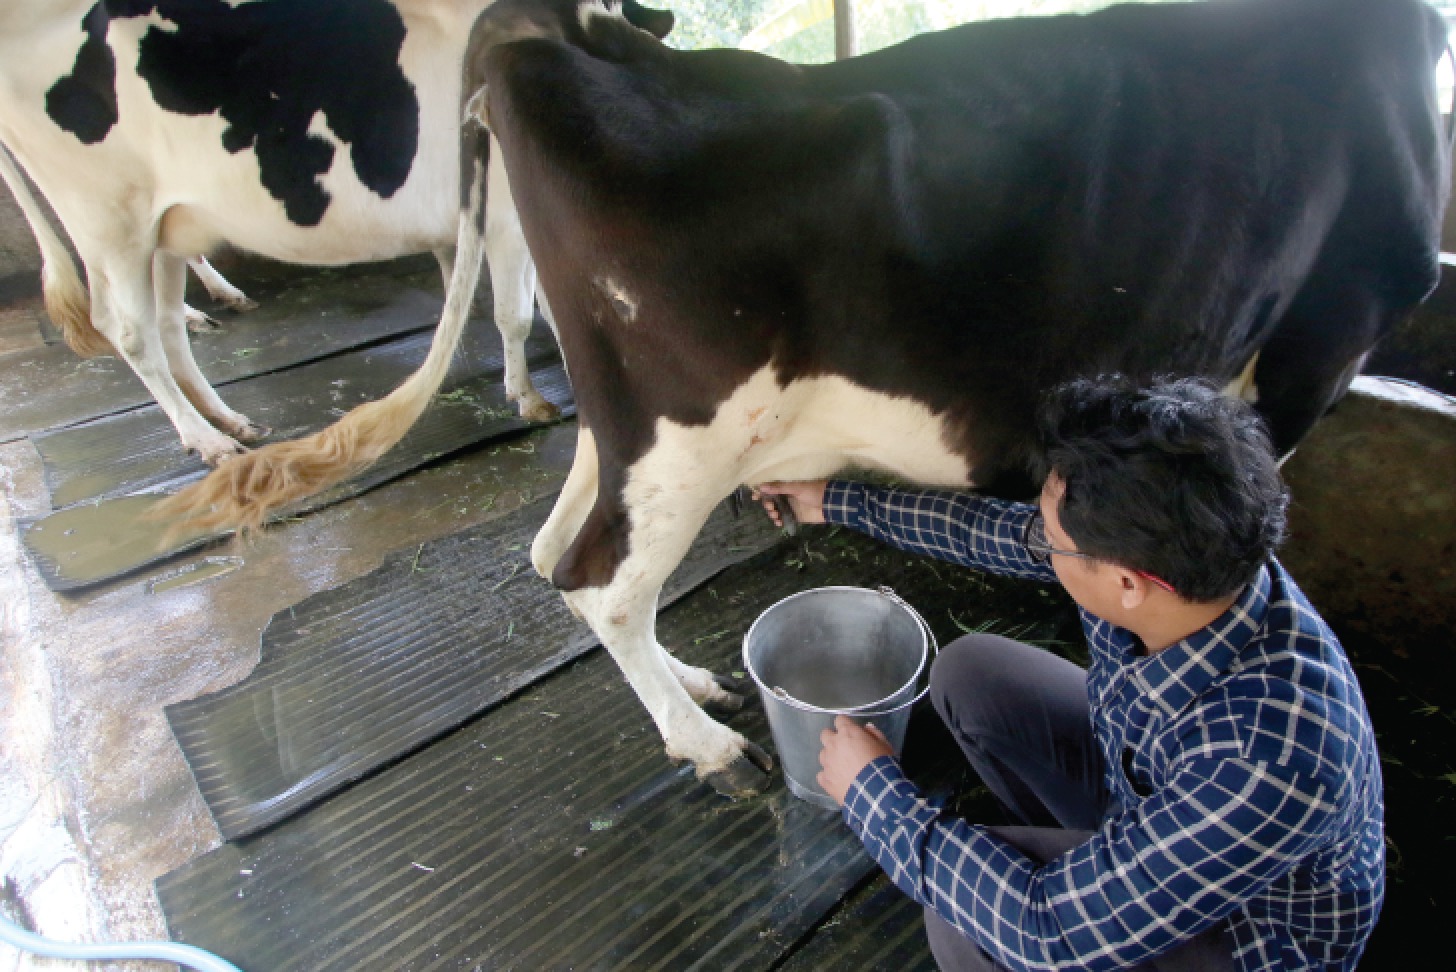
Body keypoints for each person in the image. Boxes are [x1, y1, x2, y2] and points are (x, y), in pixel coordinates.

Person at [753, 376, 1383, 972]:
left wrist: (874, 796)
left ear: (1129, 584)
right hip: (1146, 798)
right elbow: (997, 535)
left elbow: (1045, 932)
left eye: (1056, 542)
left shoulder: (1268, 763)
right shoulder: (1197, 555)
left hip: (1242, 936)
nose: (1041, 544)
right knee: (969, 673)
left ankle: (1087, 889)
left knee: (971, 924)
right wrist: (836, 500)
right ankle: (1089, 867)